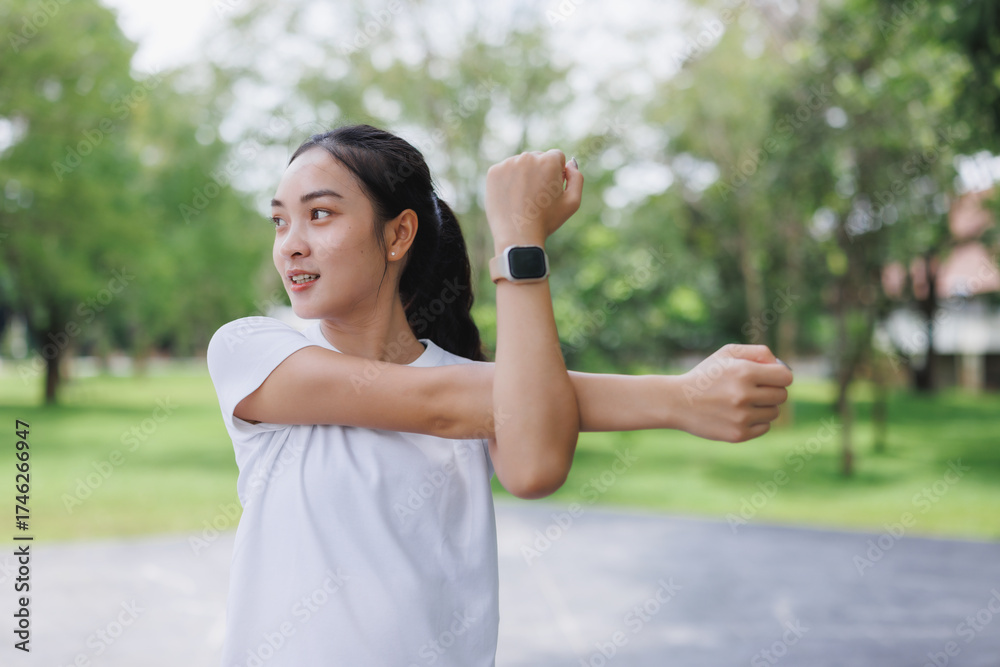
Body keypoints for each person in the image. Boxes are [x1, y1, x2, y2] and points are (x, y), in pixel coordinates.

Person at [206, 123, 793, 666]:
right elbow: (443, 404)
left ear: (398, 233)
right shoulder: (250, 351)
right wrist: (679, 398)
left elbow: (534, 464)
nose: (290, 245)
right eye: (280, 221)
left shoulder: (493, 386)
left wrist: (520, 235)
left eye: (320, 214)